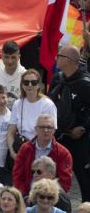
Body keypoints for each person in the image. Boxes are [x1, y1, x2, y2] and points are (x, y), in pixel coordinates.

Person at [48, 45, 90, 202]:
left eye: (60, 56)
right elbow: (49, 103)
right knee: (51, 176)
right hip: (58, 137)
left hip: (79, 140)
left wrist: (84, 128)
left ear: (70, 61)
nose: (56, 58)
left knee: (85, 180)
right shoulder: (57, 79)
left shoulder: (85, 84)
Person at [12, 114, 72, 196]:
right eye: (42, 127)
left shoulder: (63, 153)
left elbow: (65, 182)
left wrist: (46, 196)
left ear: (54, 130)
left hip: (50, 199)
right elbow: (17, 175)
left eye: (49, 127)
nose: (46, 130)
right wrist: (25, 196)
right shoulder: (25, 149)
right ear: (36, 129)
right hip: (26, 197)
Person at [7, 69, 57, 161]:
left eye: (33, 82)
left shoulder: (48, 105)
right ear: (22, 85)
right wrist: (12, 152)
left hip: (40, 154)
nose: (29, 85)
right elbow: (10, 132)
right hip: (21, 151)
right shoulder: (18, 103)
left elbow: (51, 132)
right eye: (26, 82)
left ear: (38, 85)